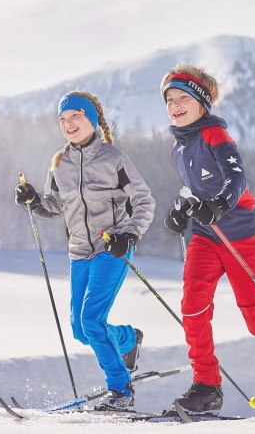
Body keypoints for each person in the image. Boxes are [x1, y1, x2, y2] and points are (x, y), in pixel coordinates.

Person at [159, 64, 255, 415]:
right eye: (170, 99)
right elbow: (192, 187)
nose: (175, 105)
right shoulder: (177, 148)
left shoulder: (216, 135)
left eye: (183, 97)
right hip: (205, 236)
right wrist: (179, 208)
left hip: (241, 235)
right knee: (192, 306)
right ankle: (206, 385)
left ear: (202, 102)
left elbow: (236, 178)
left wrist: (218, 205)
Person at [14, 91, 155, 411]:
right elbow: (53, 206)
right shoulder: (58, 162)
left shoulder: (113, 158)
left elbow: (145, 200)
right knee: (81, 330)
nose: (68, 123)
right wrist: (33, 201)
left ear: (91, 119)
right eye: (62, 119)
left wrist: (130, 235)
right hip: (79, 252)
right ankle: (129, 339)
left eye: (75, 116)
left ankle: (120, 390)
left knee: (92, 320)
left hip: (112, 249)